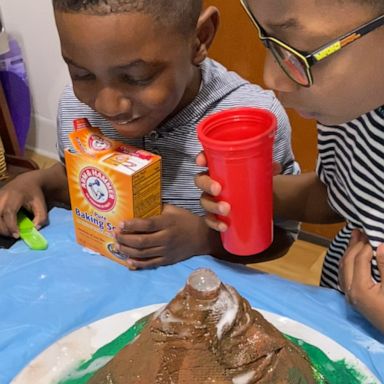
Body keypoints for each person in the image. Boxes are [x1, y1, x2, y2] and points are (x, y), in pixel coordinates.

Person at [0, 0, 299, 269]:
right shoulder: (77, 107)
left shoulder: (251, 125)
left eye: (136, 78)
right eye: (83, 75)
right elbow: (75, 178)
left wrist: (204, 239)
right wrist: (36, 181)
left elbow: (281, 237)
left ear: (199, 38)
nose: (108, 105)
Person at [195, 0, 384, 333]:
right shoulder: (355, 107)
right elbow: (339, 197)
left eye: (301, 51)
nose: (271, 78)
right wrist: (252, 194)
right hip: (339, 312)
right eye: (269, 40)